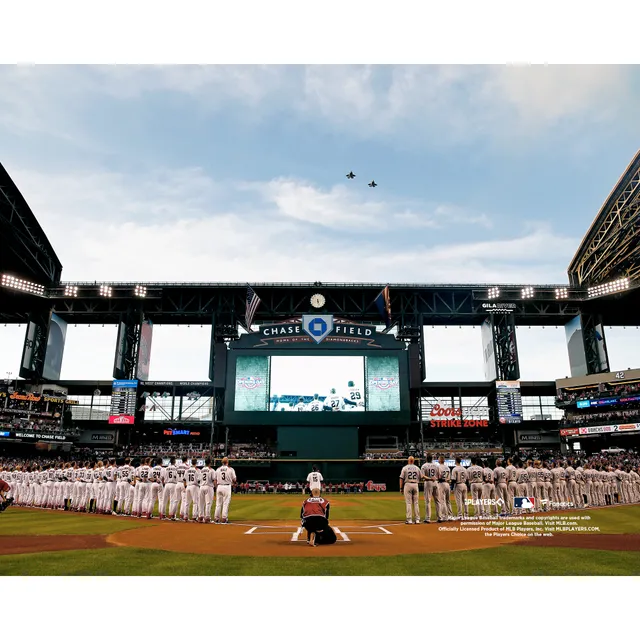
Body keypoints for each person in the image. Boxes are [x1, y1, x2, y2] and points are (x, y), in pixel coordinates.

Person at [399, 456, 421, 524]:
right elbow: (420, 477)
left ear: (408, 461)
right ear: (413, 461)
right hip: (415, 484)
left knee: (408, 503)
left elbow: (401, 478)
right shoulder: (417, 468)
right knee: (416, 503)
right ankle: (417, 519)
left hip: (408, 484)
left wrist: (401, 488)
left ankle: (409, 519)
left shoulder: (405, 468)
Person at [214, 457, 237, 524]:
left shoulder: (218, 469)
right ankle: (224, 518)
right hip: (227, 487)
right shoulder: (230, 469)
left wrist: (216, 487)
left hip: (219, 486)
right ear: (227, 462)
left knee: (218, 504)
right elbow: (234, 479)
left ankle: (216, 518)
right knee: (225, 503)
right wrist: (233, 482)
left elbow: (215, 480)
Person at [420, 454, 440, 523]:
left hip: (428, 482)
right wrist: (434, 478)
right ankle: (439, 517)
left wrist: (429, 478)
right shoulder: (436, 465)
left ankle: (428, 518)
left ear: (426, 458)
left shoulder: (424, 465)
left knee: (428, 501)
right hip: (435, 482)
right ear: (432, 458)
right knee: (437, 501)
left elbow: (422, 476)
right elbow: (439, 475)